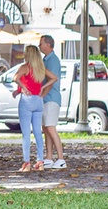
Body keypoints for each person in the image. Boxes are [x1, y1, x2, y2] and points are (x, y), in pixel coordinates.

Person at [12, 45, 58, 172]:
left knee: (26, 133)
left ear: (28, 55)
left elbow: (15, 78)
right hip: (38, 101)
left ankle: (26, 163)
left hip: (27, 102)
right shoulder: (41, 68)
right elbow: (54, 78)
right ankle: (40, 162)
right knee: (38, 132)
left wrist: (23, 88)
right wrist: (42, 88)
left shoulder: (25, 67)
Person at [39, 35, 66, 169]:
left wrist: (42, 94)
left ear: (48, 45)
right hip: (46, 98)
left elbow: (52, 80)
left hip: (51, 98)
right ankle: (49, 157)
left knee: (50, 127)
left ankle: (61, 158)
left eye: (41, 43)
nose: (39, 46)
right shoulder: (45, 60)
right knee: (46, 128)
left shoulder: (53, 60)